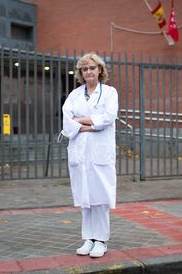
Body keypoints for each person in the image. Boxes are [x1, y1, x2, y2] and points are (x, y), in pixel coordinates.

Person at [61, 52, 118, 258]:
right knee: (85, 197)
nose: (88, 72)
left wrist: (81, 122)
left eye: (92, 68)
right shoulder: (74, 95)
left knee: (100, 197)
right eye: (84, 69)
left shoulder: (110, 93)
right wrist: (92, 123)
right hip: (80, 153)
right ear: (80, 73)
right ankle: (88, 238)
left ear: (100, 70)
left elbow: (108, 118)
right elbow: (67, 125)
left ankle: (101, 240)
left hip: (99, 153)